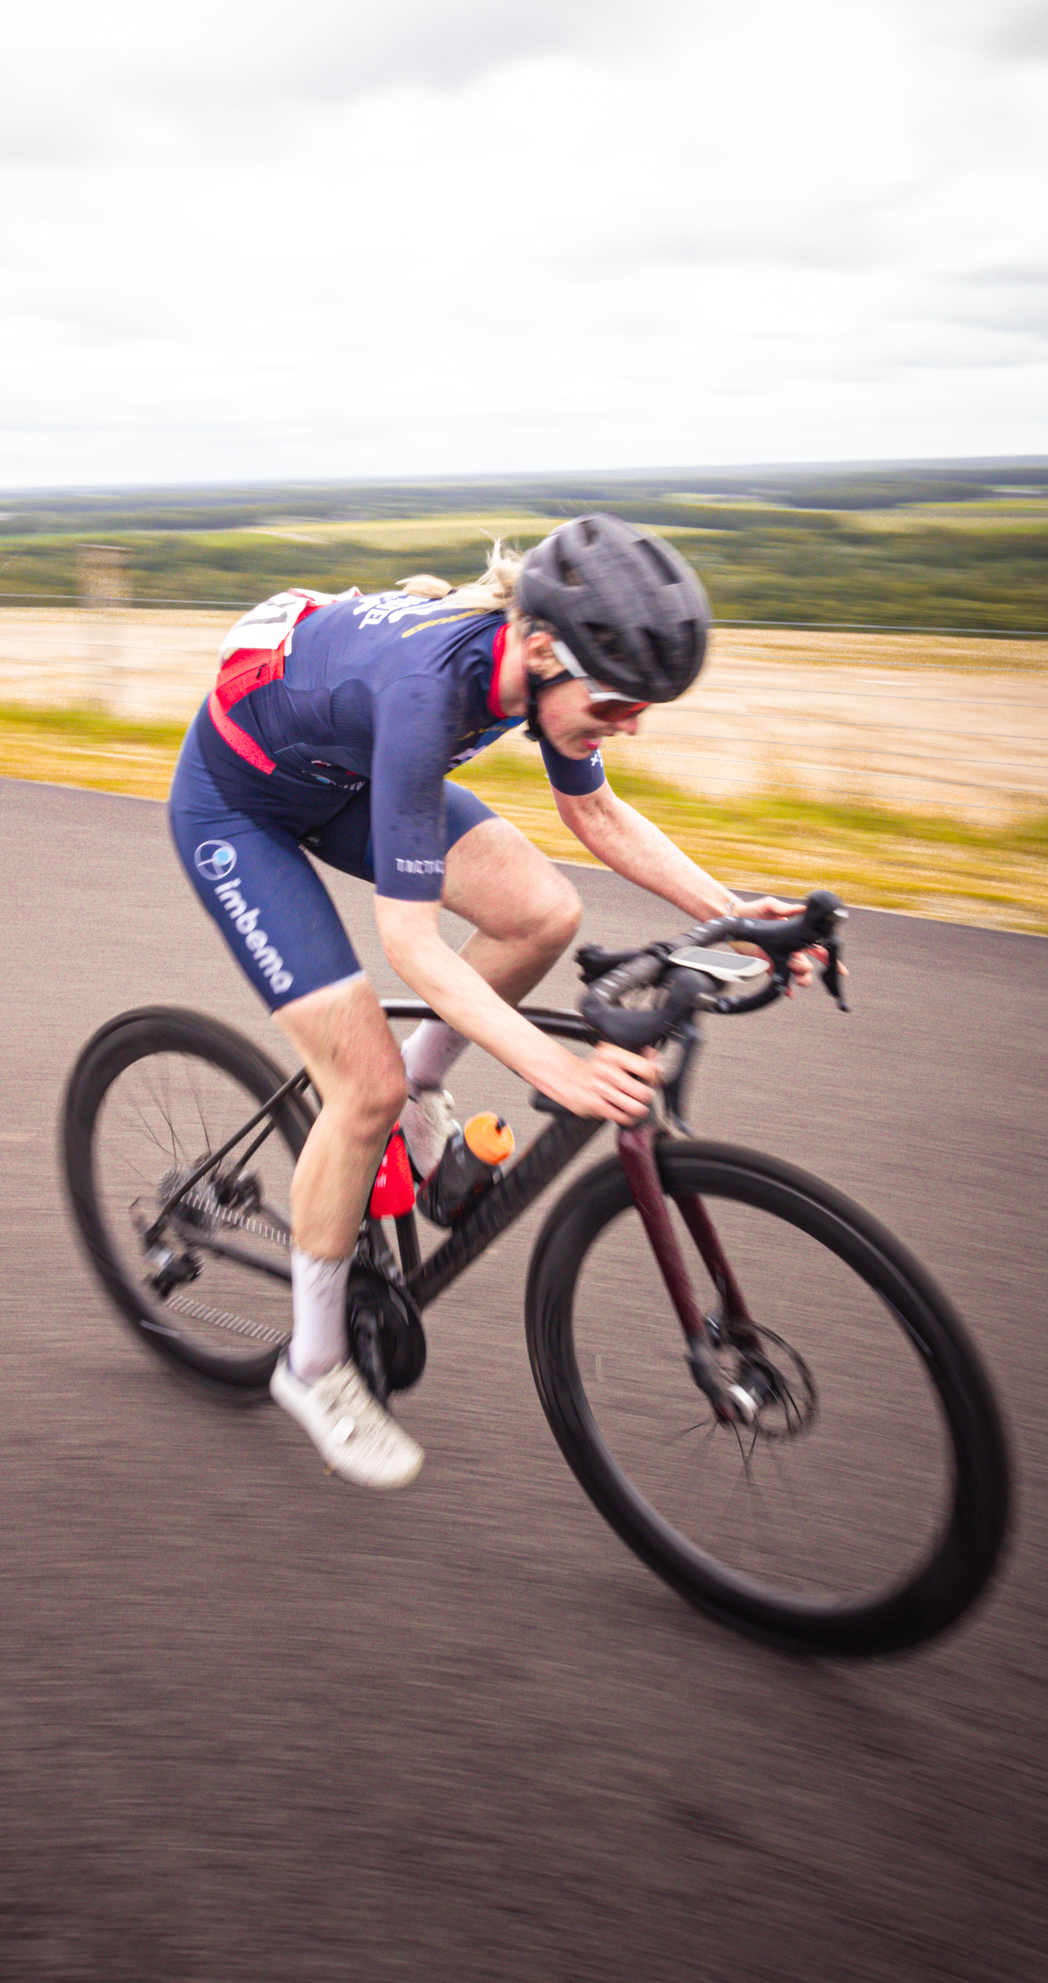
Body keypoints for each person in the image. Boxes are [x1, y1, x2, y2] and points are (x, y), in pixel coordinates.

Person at [167, 513, 807, 1490]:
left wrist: (734, 915)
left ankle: (423, 1096)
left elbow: (588, 809)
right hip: (238, 808)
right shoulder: (433, 693)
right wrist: (547, 1063)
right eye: (621, 699)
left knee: (542, 910)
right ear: (544, 648)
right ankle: (311, 1363)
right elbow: (411, 946)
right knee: (360, 1088)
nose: (629, 722)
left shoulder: (533, 667)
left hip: (345, 776)